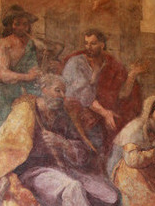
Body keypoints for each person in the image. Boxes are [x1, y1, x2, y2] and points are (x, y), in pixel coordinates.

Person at [0, 72, 121, 206]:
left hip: (63, 169)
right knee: (72, 188)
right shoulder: (25, 111)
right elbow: (10, 148)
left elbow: (82, 152)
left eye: (63, 92)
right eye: (57, 90)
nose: (61, 96)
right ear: (43, 89)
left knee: (110, 195)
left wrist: (64, 144)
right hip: (34, 172)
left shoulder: (61, 116)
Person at [60, 29, 142, 159]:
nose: (88, 47)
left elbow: (121, 95)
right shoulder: (76, 63)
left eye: (93, 43)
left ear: (102, 45)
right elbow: (84, 95)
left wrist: (132, 75)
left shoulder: (109, 65)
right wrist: (105, 113)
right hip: (76, 110)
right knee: (94, 145)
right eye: (86, 43)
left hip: (98, 110)